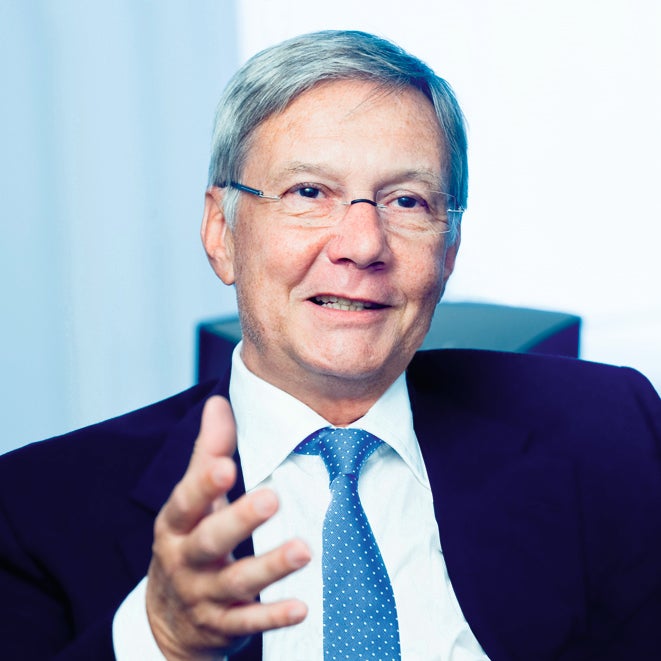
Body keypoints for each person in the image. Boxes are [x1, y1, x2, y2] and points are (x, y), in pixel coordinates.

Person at [1, 29, 660, 661]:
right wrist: (162, 641)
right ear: (221, 232)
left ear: (449, 247)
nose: (363, 245)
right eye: (309, 192)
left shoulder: (611, 430)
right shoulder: (34, 507)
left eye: (407, 201)